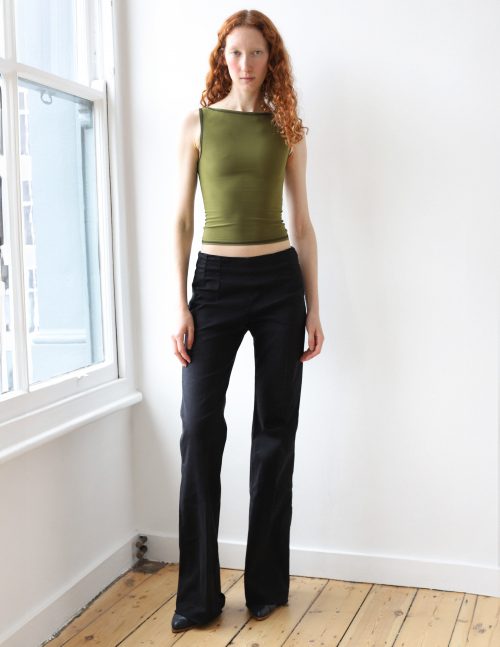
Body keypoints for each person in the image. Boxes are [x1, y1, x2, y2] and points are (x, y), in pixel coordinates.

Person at [170, 8, 324, 633]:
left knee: (275, 431)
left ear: (271, 58)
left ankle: (265, 586)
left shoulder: (287, 128)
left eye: (256, 52)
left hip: (279, 287)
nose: (245, 63)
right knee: (199, 428)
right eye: (235, 52)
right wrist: (178, 304)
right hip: (214, 285)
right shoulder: (198, 124)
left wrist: (315, 306)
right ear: (222, 58)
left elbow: (303, 224)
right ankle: (198, 598)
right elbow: (182, 219)